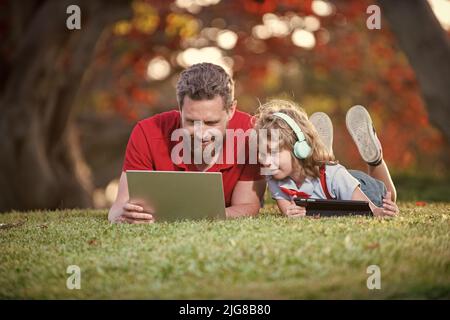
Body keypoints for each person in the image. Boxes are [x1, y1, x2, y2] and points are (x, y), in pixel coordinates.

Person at [108, 63, 266, 223]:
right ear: (180, 109)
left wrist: (191, 217)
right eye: (191, 122)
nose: (201, 134)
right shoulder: (147, 132)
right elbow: (119, 207)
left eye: (211, 123)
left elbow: (247, 205)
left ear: (231, 110)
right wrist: (124, 216)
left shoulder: (250, 134)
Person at [254, 99, 399, 217]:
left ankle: (375, 160)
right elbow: (287, 209)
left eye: (272, 152)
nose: (265, 161)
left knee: (387, 198)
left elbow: (372, 210)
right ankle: (324, 154)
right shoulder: (273, 173)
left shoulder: (334, 174)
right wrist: (292, 213)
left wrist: (380, 212)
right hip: (332, 186)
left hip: (361, 187)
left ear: (299, 148)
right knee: (333, 180)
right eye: (261, 153)